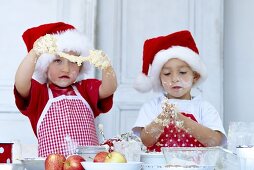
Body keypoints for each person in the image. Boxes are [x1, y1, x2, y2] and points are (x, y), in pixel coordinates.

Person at [14, 22, 117, 157]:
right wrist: (35, 53)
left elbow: (109, 89)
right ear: (44, 66)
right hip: (53, 166)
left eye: (73, 61)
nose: (66, 69)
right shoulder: (40, 94)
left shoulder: (85, 89)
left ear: (81, 66)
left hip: (88, 164)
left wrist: (106, 66)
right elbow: (20, 83)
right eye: (57, 61)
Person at [132, 30, 226, 152]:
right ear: (159, 79)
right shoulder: (152, 107)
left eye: (182, 72)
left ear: (195, 76)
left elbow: (215, 141)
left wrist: (181, 119)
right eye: (167, 73)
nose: (174, 79)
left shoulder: (203, 108)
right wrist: (164, 117)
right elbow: (146, 140)